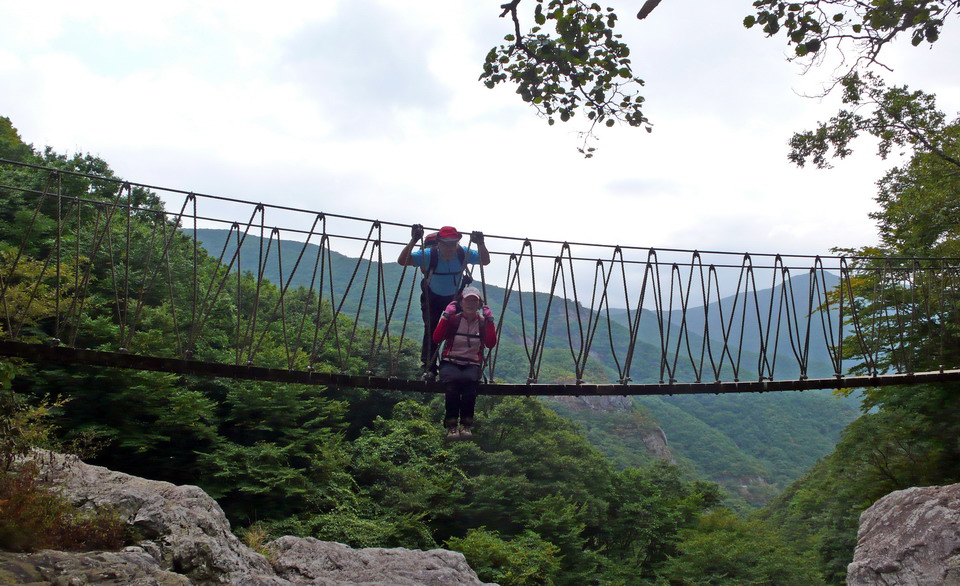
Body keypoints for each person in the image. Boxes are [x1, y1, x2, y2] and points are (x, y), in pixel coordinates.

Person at [397, 225, 490, 380]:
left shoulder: (463, 253)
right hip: (431, 297)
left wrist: (481, 243)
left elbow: (485, 261)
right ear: (438, 243)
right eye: (446, 243)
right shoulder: (429, 254)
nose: (450, 247)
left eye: (453, 243)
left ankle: (455, 365)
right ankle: (429, 368)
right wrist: (413, 241)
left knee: (460, 328)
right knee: (431, 330)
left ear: (457, 243)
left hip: (454, 298)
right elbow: (403, 261)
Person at [432, 286, 497, 440]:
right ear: (461, 303)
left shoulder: (481, 323)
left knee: (469, 383)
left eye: (474, 301)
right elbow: (437, 338)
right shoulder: (454, 320)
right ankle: (452, 425)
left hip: (472, 363)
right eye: (468, 300)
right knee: (453, 383)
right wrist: (445, 316)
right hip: (450, 361)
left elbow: (490, 343)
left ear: (479, 305)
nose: (471, 304)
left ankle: (466, 424)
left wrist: (490, 322)